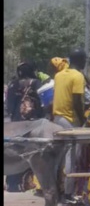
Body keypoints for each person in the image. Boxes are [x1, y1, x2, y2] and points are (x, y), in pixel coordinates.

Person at [53, 50, 88, 204]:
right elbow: (76, 102)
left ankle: (59, 191)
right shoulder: (78, 76)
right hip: (70, 120)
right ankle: (68, 194)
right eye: (85, 59)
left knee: (58, 159)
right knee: (71, 157)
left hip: (57, 119)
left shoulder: (59, 75)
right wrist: (83, 121)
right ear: (81, 60)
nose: (86, 62)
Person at [5, 62, 43, 194]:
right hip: (32, 124)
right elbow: (42, 103)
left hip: (15, 123)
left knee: (14, 151)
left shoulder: (12, 84)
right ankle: (28, 183)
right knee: (32, 152)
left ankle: (13, 184)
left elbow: (8, 105)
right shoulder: (36, 83)